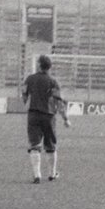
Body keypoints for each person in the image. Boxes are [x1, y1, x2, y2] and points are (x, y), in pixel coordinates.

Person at [21, 54, 70, 184]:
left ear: (39, 65)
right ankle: (52, 174)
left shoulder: (29, 79)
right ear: (49, 67)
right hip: (48, 116)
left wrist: (28, 101)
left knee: (34, 145)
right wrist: (65, 118)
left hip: (33, 115)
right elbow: (59, 101)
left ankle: (37, 175)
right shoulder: (53, 82)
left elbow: (24, 96)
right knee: (50, 146)